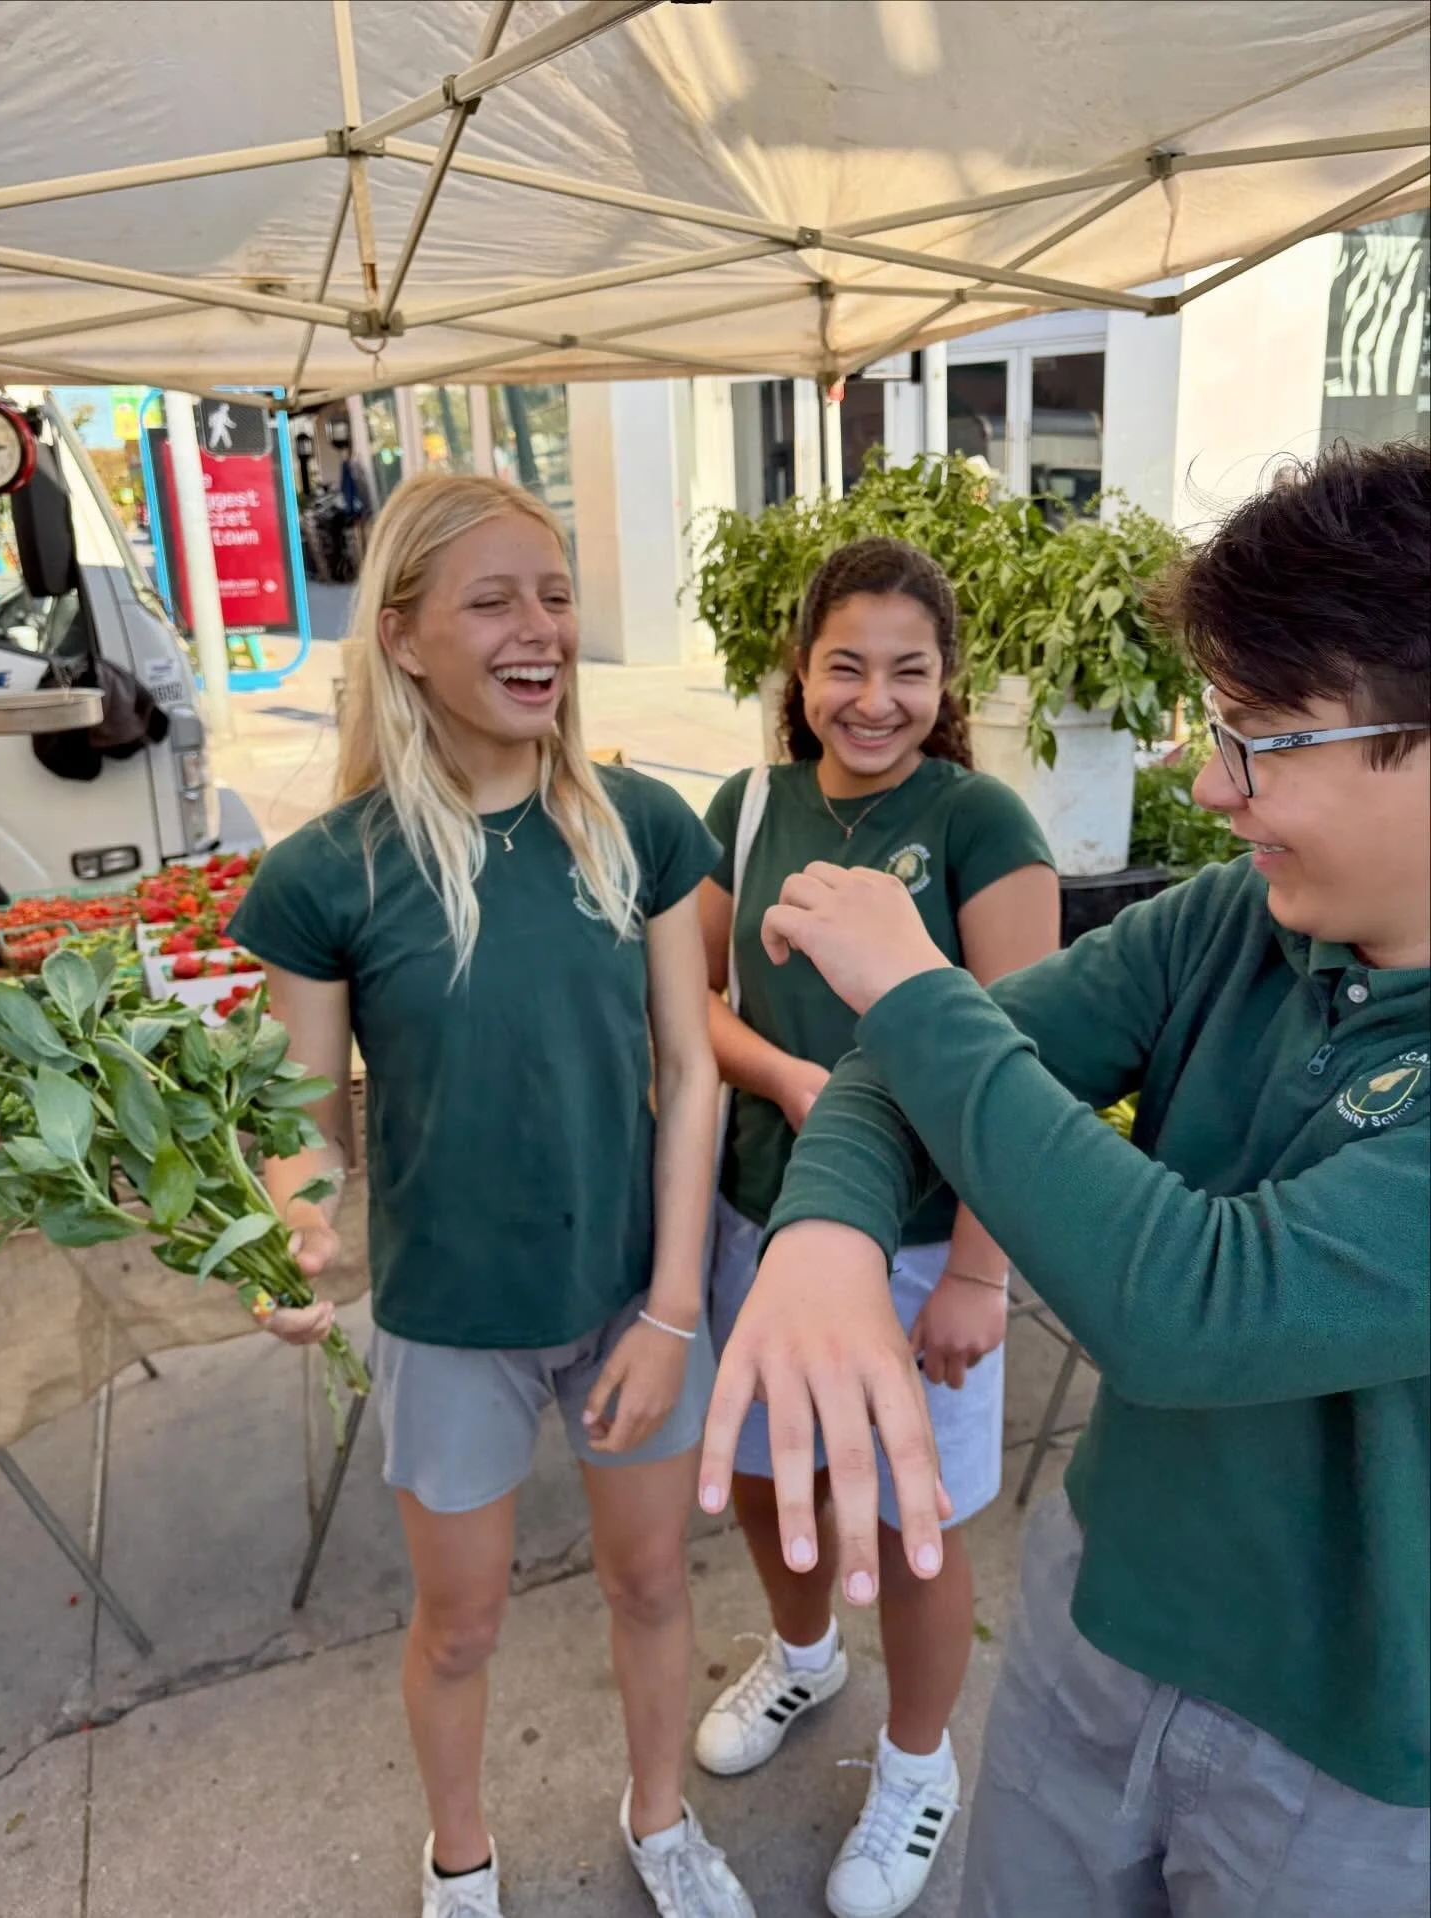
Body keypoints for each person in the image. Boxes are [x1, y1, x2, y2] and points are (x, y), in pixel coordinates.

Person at [698, 439, 1431, 1916]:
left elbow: (1197, 1303)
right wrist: (828, 1229)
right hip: (1104, 1611)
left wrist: (911, 992)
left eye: (1262, 740)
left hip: (1357, 1749)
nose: (1214, 788)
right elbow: (905, 1079)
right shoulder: (1241, 918)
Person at [231, 473, 755, 1918]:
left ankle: (662, 1819)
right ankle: (459, 1862)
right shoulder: (326, 874)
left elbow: (690, 1068)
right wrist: (296, 1226)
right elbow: (305, 1113)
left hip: (630, 1300)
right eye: (494, 600)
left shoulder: (638, 823)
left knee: (653, 1585)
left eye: (557, 594)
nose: (542, 630)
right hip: (450, 1314)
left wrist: (672, 1304)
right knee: (458, 1626)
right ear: (400, 637)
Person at [694, 537, 1058, 1918]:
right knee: (767, 1478)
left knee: (912, 1515)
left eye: (909, 669)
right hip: (761, 1222)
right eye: (846, 663)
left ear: (947, 679)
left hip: (917, 1242)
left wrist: (979, 1264)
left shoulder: (981, 823)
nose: (874, 697)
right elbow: (699, 1000)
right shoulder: (747, 803)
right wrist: (781, 1075)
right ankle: (802, 1655)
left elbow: (1028, 1064)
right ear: (801, 669)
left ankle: (918, 1762)